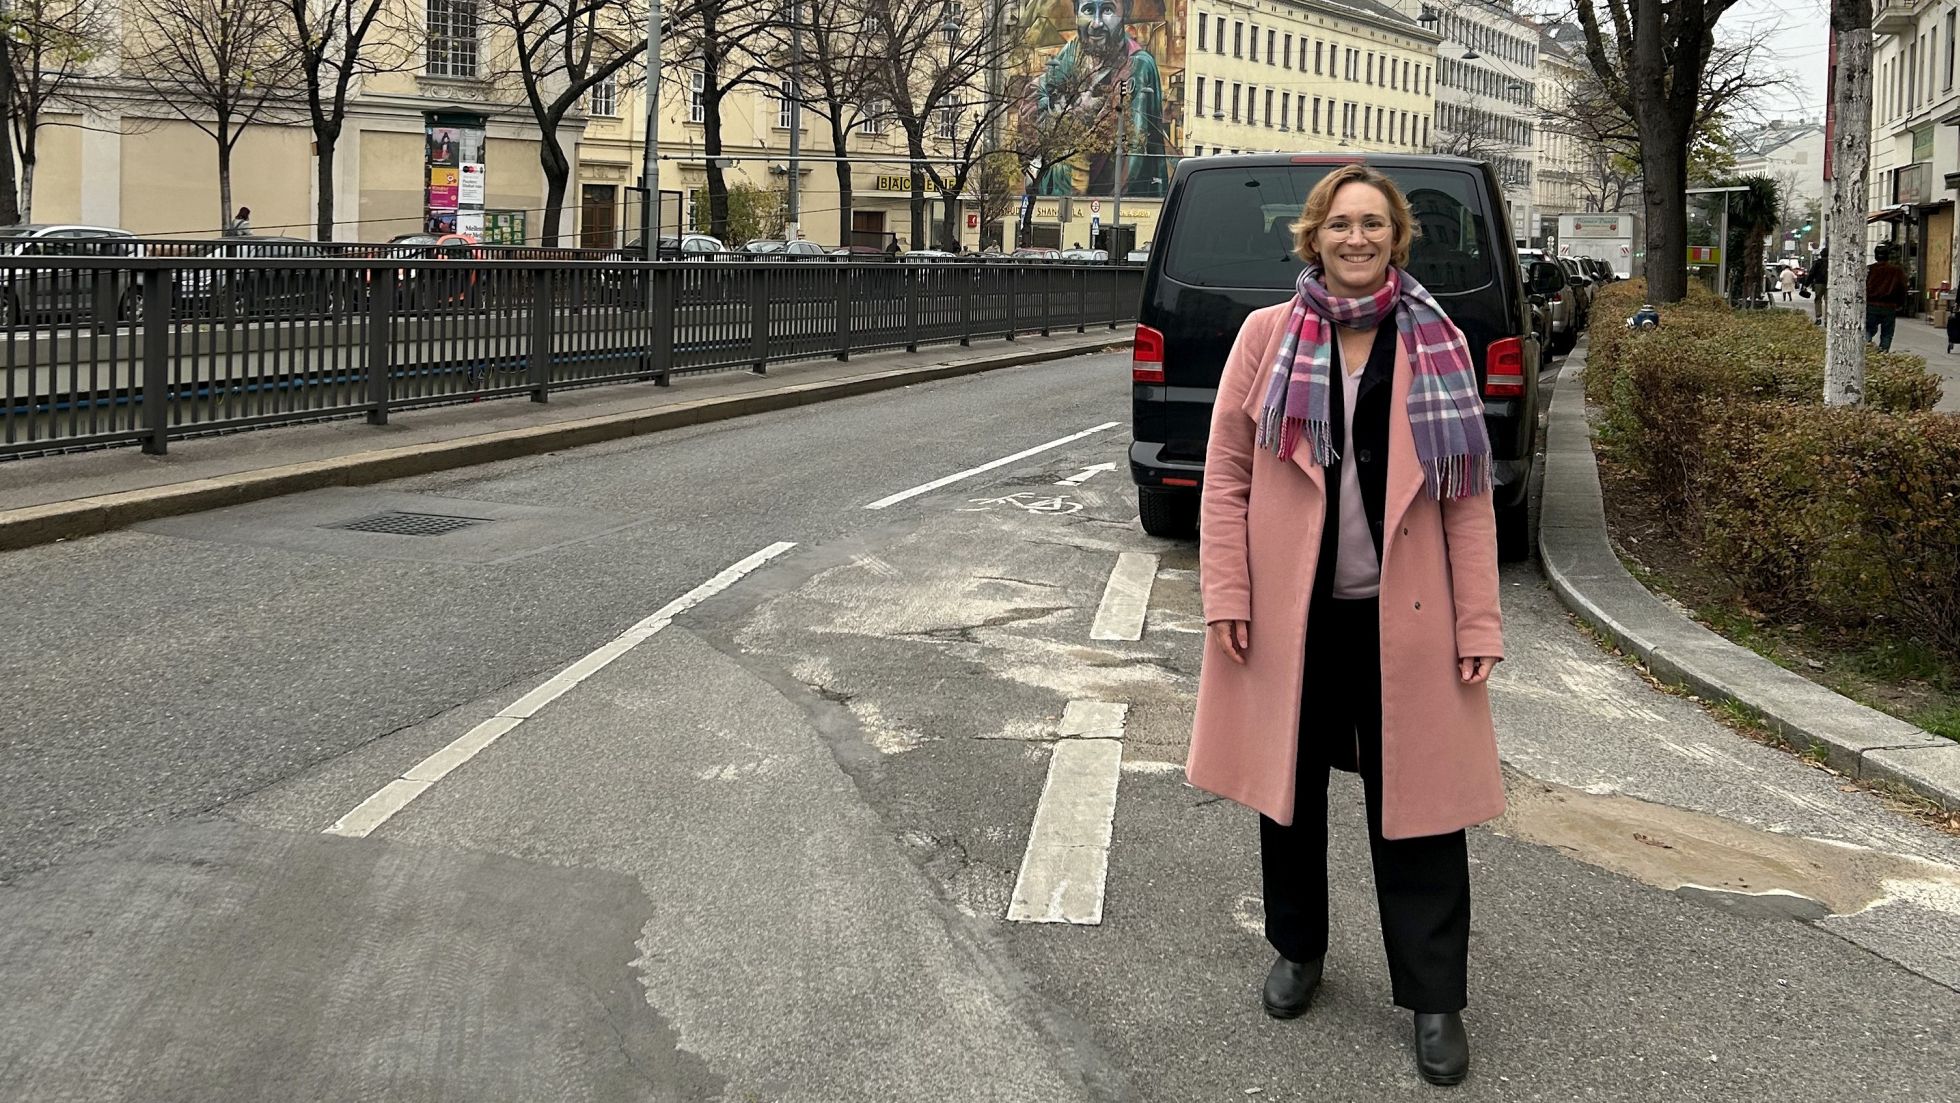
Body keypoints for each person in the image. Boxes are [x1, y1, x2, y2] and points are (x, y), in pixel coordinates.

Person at [1187, 163, 1504, 1088]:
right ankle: (1298, 948)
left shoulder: (1438, 341)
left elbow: (1466, 499)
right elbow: (1229, 477)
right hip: (1293, 613)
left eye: (1373, 224)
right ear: (1313, 237)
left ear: (1396, 238)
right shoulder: (1264, 338)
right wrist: (1228, 595)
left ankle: (1435, 997)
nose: (1356, 238)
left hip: (1406, 616)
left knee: (1420, 811)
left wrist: (1477, 618)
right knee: (1288, 794)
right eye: (1340, 223)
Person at [1028, 0, 1167, 197]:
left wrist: (1111, 208)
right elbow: (1038, 90)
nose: (1096, 23)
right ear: (1076, 12)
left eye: (1107, 10)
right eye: (1088, 10)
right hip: (1065, 189)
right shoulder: (1075, 50)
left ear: (1125, 13)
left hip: (1109, 197)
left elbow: (1133, 152)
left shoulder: (1137, 65)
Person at [1866, 243, 1909, 351]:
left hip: (1871, 305)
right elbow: (1902, 288)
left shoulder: (1869, 270)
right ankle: (1883, 354)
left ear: (1875, 255)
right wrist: (1900, 304)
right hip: (1889, 306)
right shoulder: (1896, 271)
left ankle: (1866, 350)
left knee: (1867, 330)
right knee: (1887, 334)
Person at [1803, 246, 1828, 324]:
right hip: (1830, 284)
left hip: (1819, 284)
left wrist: (1806, 284)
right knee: (1828, 301)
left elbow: (1811, 274)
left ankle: (1818, 318)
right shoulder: (1832, 263)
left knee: (1818, 300)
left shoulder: (1818, 262)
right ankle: (1827, 319)